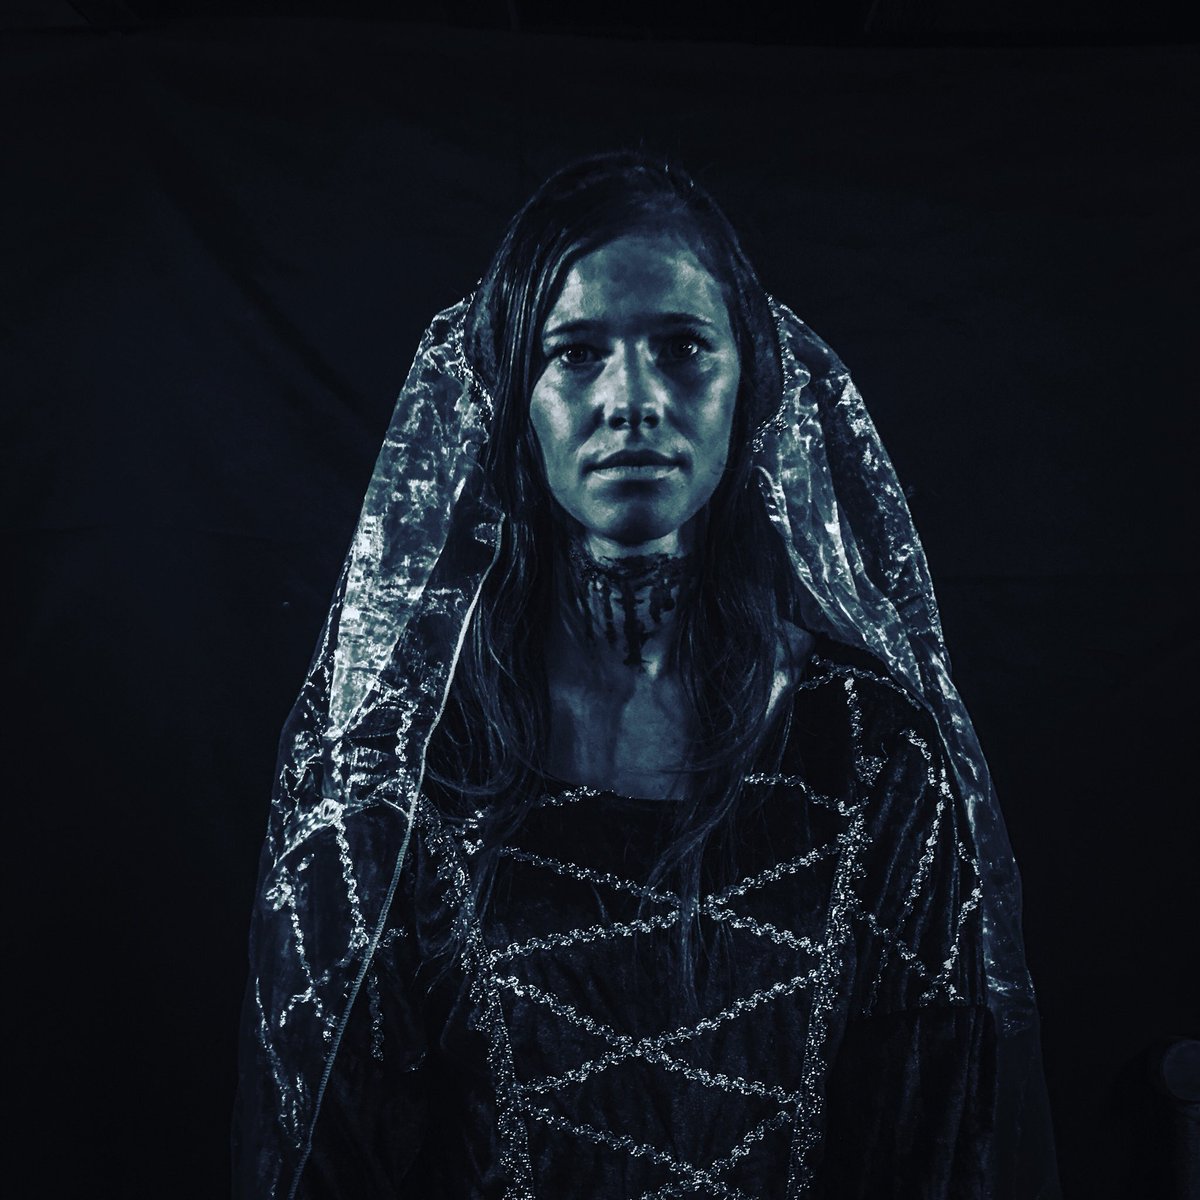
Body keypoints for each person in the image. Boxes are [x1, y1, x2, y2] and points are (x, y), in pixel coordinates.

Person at [235, 152, 1060, 1198]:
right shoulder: (403, 766)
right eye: (577, 353)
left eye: (682, 347)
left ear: (748, 383)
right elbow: (328, 1160)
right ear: (511, 398)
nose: (632, 401)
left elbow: (939, 1151)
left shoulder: (873, 755)